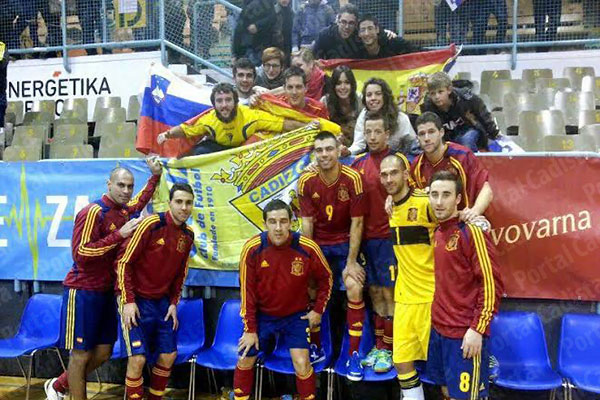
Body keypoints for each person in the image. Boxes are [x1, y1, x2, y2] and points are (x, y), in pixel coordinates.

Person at [46, 160, 163, 400]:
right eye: (121, 185)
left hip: (107, 292)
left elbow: (140, 202)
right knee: (80, 355)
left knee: (104, 351)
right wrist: (118, 235)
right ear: (109, 184)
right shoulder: (93, 212)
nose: (126, 191)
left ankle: (58, 386)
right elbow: (81, 253)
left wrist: (155, 177)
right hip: (83, 291)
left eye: (130, 186)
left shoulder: (125, 211)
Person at [233, 199, 332, 400]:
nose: (278, 228)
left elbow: (326, 278)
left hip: (295, 317)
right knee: (244, 358)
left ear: (291, 222)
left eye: (283, 221)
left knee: (302, 363)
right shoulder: (252, 249)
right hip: (263, 317)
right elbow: (247, 293)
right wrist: (251, 330)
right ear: (265, 224)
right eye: (272, 222)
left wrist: (318, 309)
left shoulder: (307, 247)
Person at [427, 170, 503, 400]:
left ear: (458, 199)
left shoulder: (472, 231)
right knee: (446, 392)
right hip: (439, 330)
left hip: (464, 335)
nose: (439, 202)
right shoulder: (439, 231)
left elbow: (492, 284)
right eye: (434, 194)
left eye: (446, 195)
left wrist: (477, 329)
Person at [115, 183, 195, 400]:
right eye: (179, 202)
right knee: (138, 359)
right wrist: (128, 301)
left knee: (169, 355)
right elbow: (124, 263)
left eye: (188, 203)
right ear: (169, 203)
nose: (183, 207)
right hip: (135, 300)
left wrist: (173, 303)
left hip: (162, 303)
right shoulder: (151, 224)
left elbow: (180, 274)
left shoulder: (188, 235)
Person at [298, 131, 367, 380]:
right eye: (320, 150)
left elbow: (357, 223)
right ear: (314, 154)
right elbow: (306, 225)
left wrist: (351, 262)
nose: (325, 154)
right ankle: (315, 345)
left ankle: (354, 354)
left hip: (346, 244)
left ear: (339, 150)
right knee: (310, 287)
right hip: (320, 246)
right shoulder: (306, 180)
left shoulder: (353, 178)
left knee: (354, 287)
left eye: (329, 149)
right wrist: (309, 260)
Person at [350, 113, 414, 374]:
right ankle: (379, 346)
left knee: (391, 294)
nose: (373, 137)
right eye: (369, 132)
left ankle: (392, 347)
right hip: (367, 240)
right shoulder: (357, 166)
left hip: (391, 239)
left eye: (378, 132)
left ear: (388, 133)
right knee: (375, 292)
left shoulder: (398, 163)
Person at [379, 154, 436, 400]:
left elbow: (454, 222)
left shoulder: (426, 202)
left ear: (406, 174)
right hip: (404, 298)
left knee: (444, 367)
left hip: (433, 297)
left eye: (394, 173)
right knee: (401, 361)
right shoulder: (391, 207)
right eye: (384, 174)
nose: (389, 178)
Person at [157, 83, 309, 155]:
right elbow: (185, 130)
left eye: (228, 100)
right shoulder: (208, 120)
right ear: (214, 104)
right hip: (219, 149)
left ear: (236, 102)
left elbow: (284, 124)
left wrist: (309, 127)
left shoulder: (251, 116)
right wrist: (166, 135)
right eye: (220, 101)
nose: (224, 105)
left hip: (245, 149)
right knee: (198, 152)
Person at [412, 112, 493, 223]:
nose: (426, 138)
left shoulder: (462, 156)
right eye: (422, 134)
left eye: (431, 132)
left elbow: (486, 189)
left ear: (441, 132)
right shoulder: (417, 165)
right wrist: (392, 198)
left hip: (464, 223)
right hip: (434, 227)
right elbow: (409, 196)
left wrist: (474, 212)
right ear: (417, 138)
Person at [421, 72, 499, 152]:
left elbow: (483, 115)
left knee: (466, 142)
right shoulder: (428, 108)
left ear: (449, 90)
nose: (437, 97)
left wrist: (494, 134)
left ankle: (470, 163)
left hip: (469, 130)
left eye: (440, 92)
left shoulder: (466, 98)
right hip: (445, 137)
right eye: (433, 93)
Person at [348, 78, 417, 156]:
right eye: (369, 95)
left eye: (378, 94)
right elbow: (359, 144)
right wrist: (347, 151)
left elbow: (413, 146)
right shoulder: (363, 115)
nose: (373, 98)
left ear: (385, 96)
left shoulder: (400, 118)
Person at [320, 65, 363, 147]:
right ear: (333, 86)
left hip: (357, 147)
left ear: (352, 84)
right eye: (339, 83)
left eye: (347, 83)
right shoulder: (324, 102)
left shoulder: (359, 100)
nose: (343, 87)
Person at [232, 0, 276, 65]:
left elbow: (272, 18)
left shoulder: (268, 4)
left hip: (263, 45)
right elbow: (239, 30)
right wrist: (235, 54)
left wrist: (257, 26)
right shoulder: (247, 6)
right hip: (248, 47)